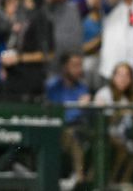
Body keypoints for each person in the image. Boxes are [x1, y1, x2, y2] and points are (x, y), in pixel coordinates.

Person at [45, 51, 90, 188]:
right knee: (70, 135)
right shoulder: (53, 87)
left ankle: (83, 179)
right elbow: (57, 114)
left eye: (80, 66)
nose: (79, 70)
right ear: (64, 67)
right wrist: (78, 108)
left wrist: (87, 106)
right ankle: (78, 178)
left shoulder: (82, 87)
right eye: (74, 66)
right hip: (55, 129)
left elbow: (86, 116)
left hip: (80, 128)